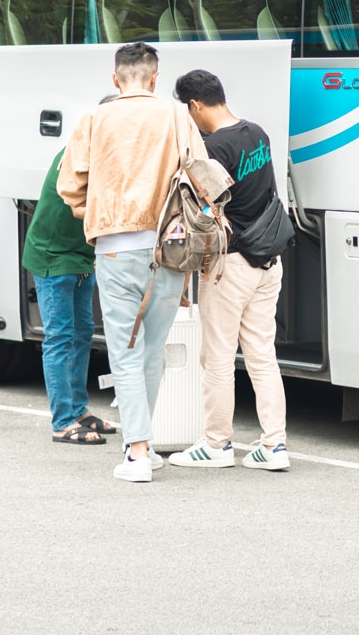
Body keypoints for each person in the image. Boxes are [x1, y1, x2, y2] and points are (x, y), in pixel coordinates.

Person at [57, 42, 209, 483]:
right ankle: (144, 446)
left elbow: (70, 186)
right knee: (153, 349)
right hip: (170, 248)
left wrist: (94, 209)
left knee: (125, 349)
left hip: (115, 247)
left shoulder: (95, 118)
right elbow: (202, 174)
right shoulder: (177, 116)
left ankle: (138, 452)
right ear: (155, 78)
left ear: (115, 79)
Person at [168, 69, 292, 472]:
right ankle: (275, 445)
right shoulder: (258, 133)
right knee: (262, 355)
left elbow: (204, 219)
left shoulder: (212, 149)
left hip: (231, 265)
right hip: (268, 261)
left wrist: (186, 273)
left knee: (217, 357)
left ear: (195, 105)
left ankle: (216, 443)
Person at [23, 143, 115, 445]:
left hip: (81, 257)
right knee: (60, 336)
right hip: (53, 256)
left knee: (82, 333)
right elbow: (81, 209)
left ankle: (78, 410)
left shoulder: (104, 155)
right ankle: (62, 421)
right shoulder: (76, 157)